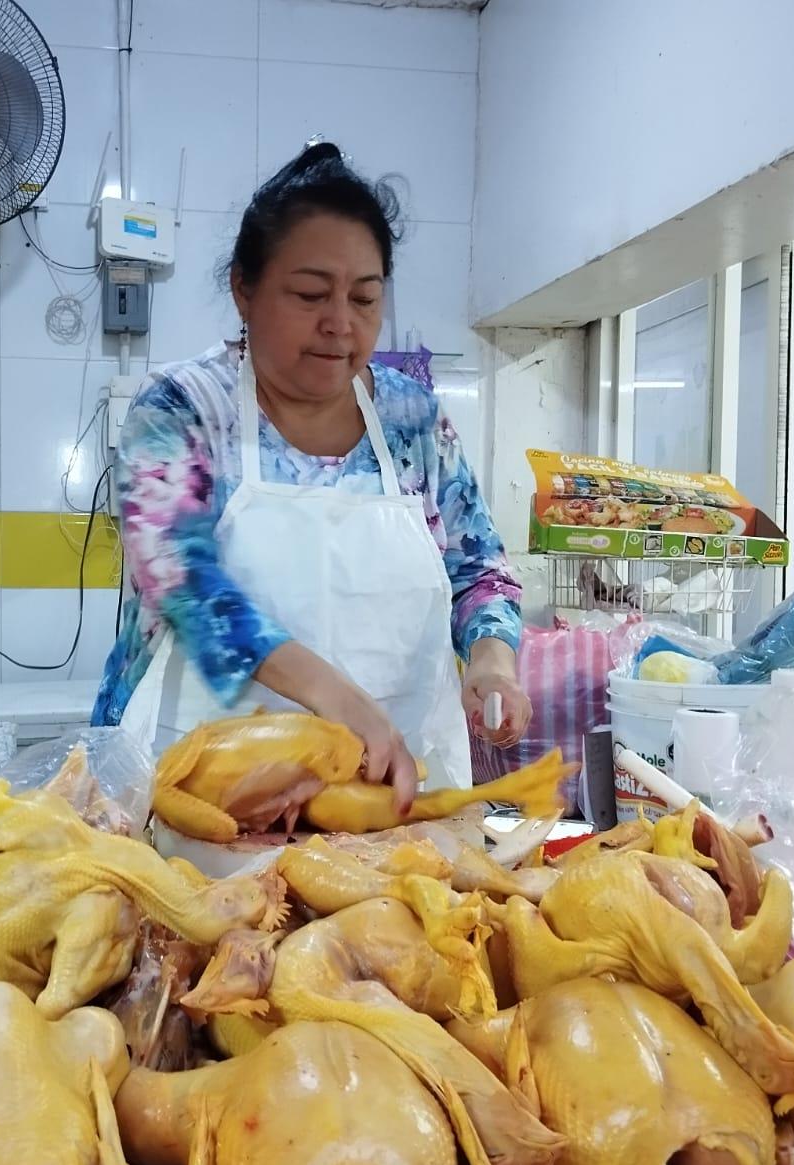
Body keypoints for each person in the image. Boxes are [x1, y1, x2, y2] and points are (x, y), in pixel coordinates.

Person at [93, 142, 530, 813]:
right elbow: (183, 583)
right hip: (204, 796)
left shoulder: (411, 418)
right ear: (245, 287)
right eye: (309, 294)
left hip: (395, 790)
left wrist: (494, 657)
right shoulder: (182, 408)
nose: (340, 324)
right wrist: (338, 700)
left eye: (364, 298)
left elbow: (480, 570)